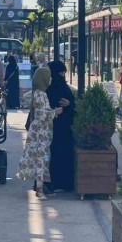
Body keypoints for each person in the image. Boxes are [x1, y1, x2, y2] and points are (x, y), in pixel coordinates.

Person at [17, 67, 63, 199]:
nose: (50, 79)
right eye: (48, 76)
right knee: (41, 159)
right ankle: (39, 190)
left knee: (42, 159)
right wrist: (55, 112)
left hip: (41, 131)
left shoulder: (40, 93)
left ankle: (40, 188)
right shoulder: (40, 94)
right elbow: (41, 114)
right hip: (40, 132)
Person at [46, 60, 75, 192]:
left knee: (57, 154)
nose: (62, 75)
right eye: (61, 73)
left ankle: (56, 183)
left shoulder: (51, 87)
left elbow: (71, 105)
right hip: (60, 127)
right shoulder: (55, 88)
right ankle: (62, 183)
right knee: (60, 154)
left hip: (59, 126)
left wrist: (69, 105)